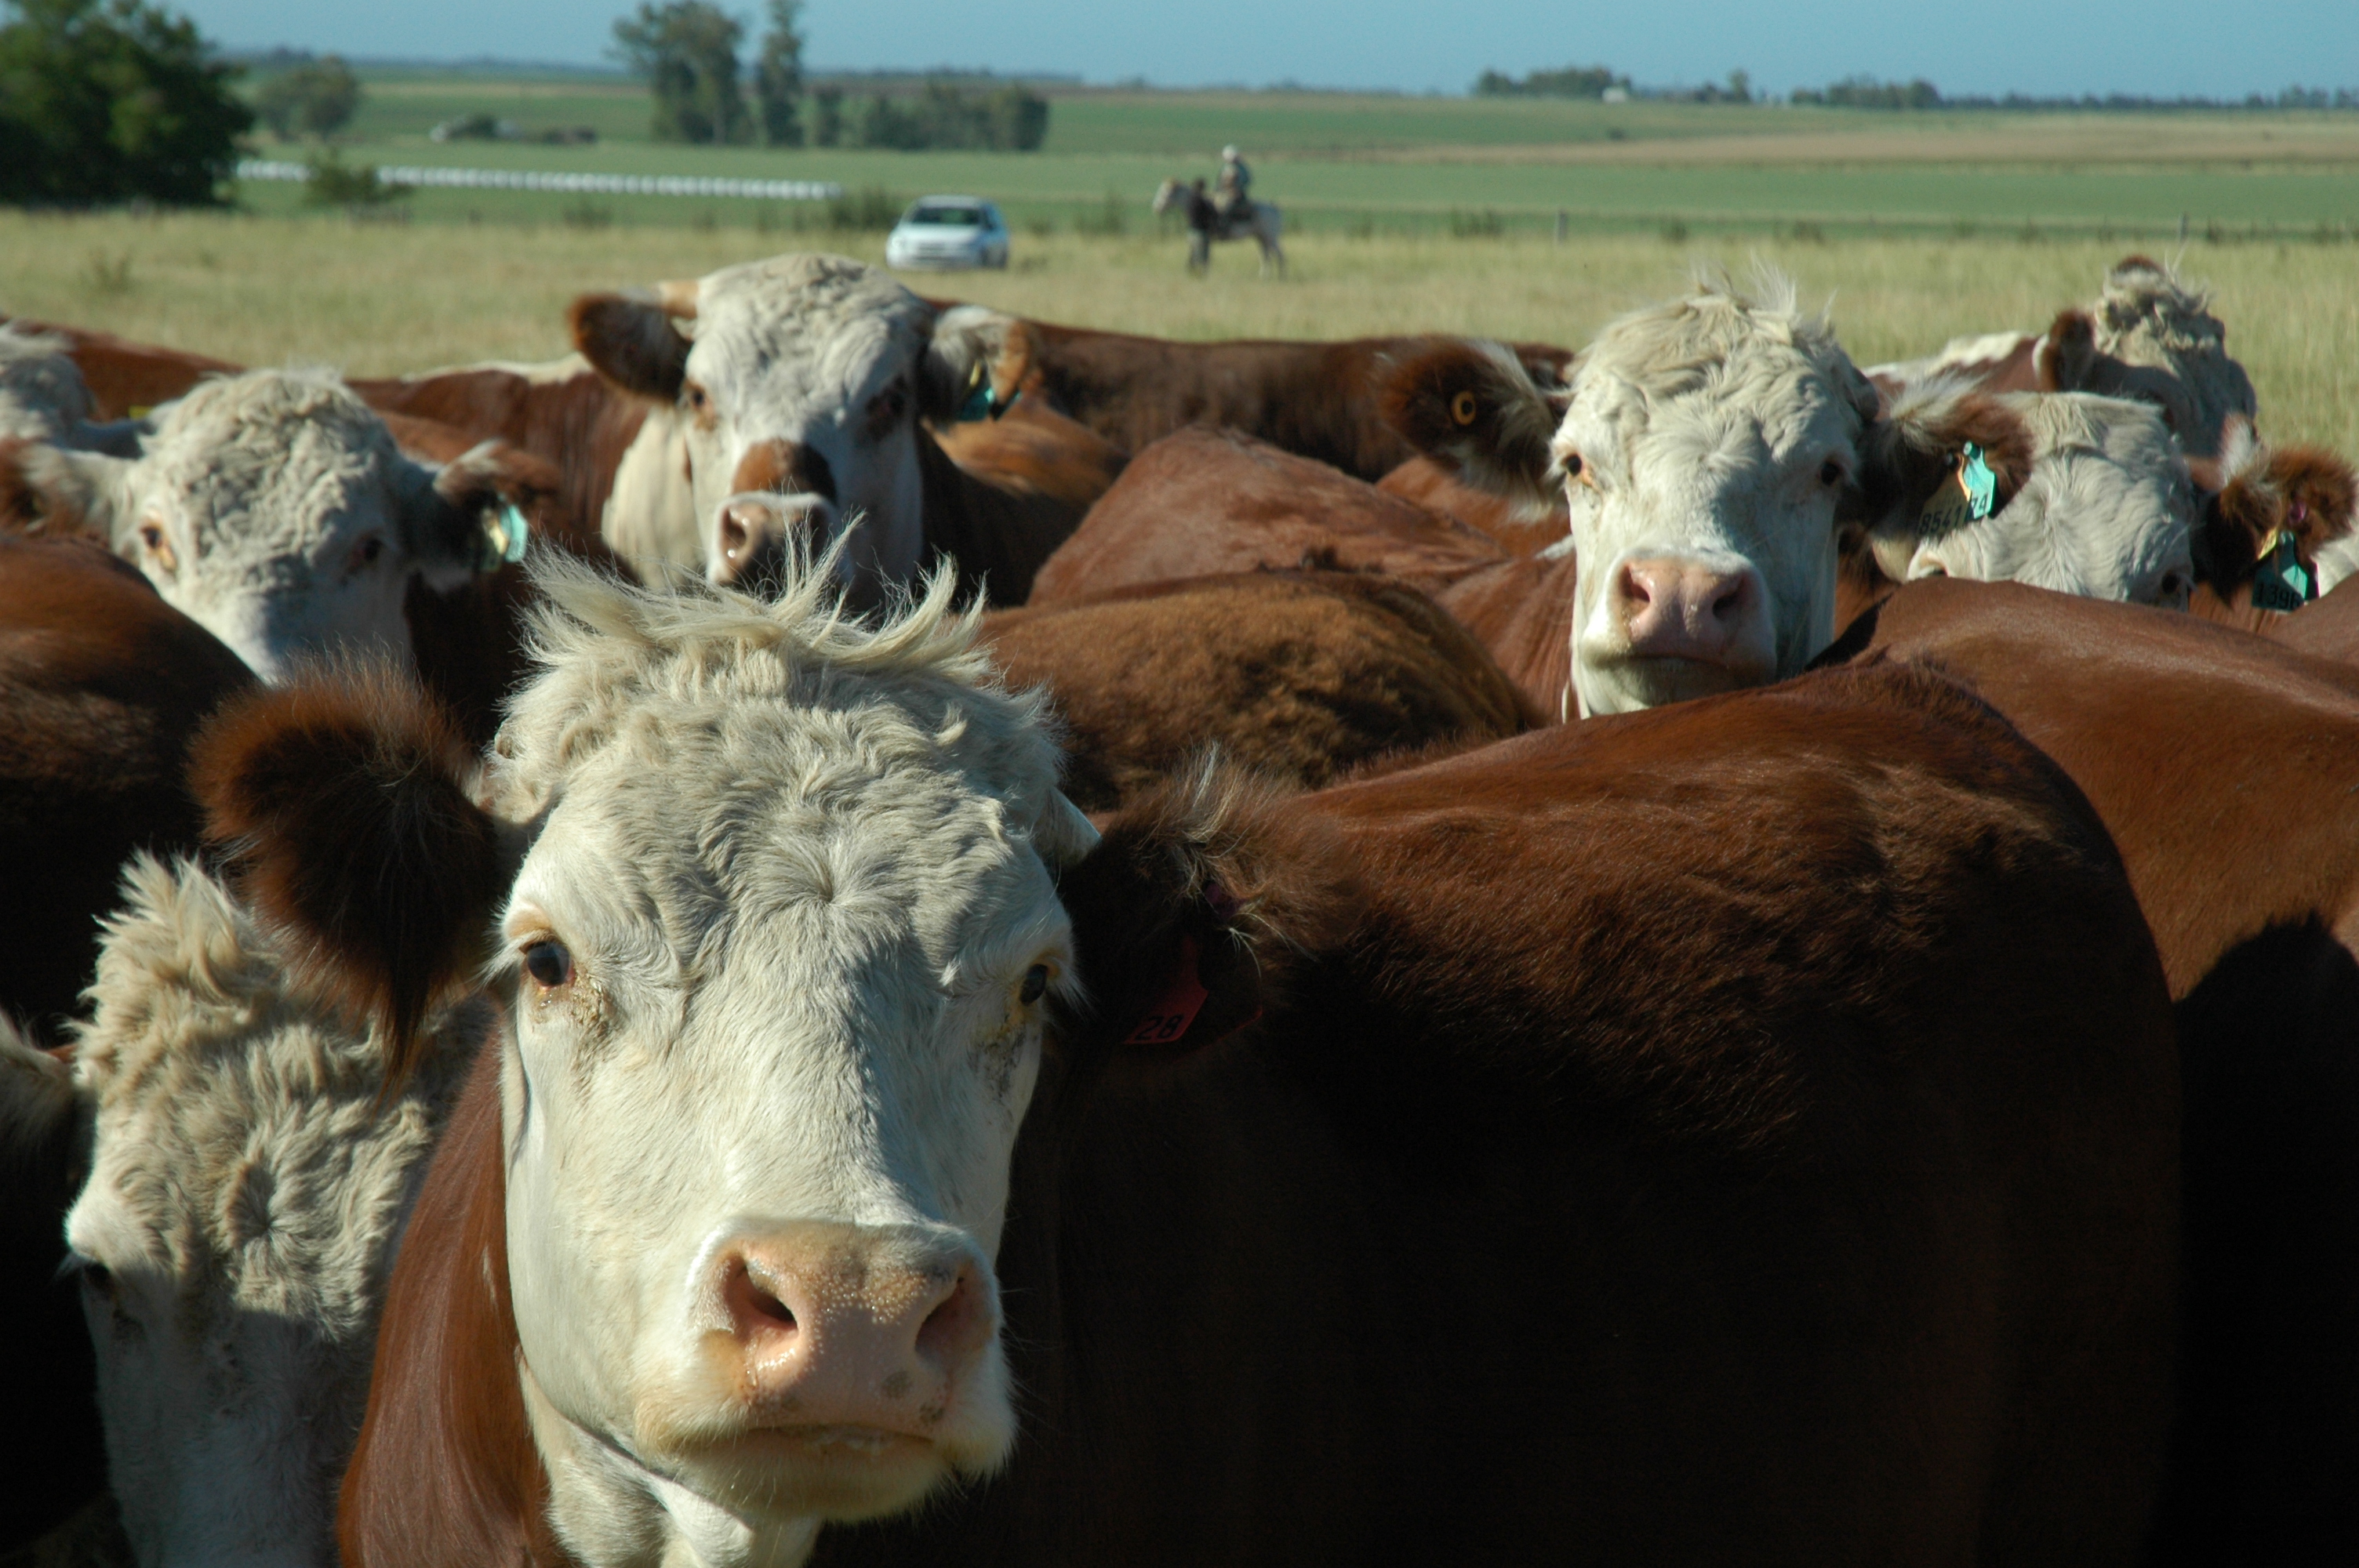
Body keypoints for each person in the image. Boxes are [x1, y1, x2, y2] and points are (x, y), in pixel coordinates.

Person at [1213, 145, 1252, 225]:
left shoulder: (1241, 168)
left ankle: (1225, 224)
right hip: (1224, 192)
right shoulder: (1227, 167)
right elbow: (1221, 181)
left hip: (1237, 194)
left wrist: (1237, 188)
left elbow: (1244, 180)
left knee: (1229, 207)